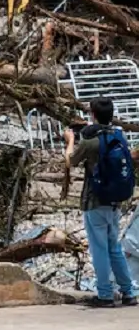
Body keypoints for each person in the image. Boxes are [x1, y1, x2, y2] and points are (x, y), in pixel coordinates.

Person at [65, 97, 138, 308]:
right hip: (115, 201)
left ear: (93, 115)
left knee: (99, 249)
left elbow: (70, 161)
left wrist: (70, 139)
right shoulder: (118, 135)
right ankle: (128, 292)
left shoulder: (90, 142)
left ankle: (105, 294)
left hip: (94, 201)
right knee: (114, 247)